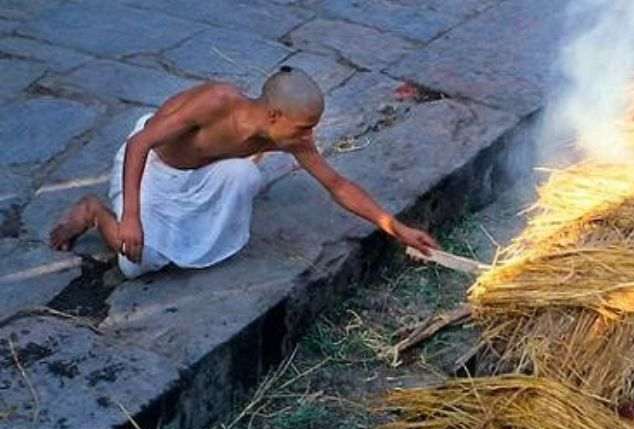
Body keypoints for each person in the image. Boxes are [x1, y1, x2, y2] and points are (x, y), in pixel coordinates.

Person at [49, 66, 439, 278]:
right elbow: (140, 144)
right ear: (273, 114)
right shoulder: (216, 102)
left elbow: (336, 184)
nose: (310, 136)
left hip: (203, 174)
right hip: (154, 167)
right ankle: (96, 212)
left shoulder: (289, 136)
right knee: (135, 263)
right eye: (305, 127)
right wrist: (130, 216)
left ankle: (186, 227)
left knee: (245, 175)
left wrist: (396, 227)